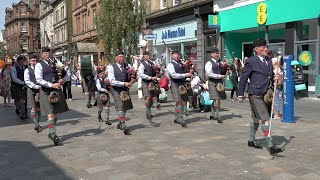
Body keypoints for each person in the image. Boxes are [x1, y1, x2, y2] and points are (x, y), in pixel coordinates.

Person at [238, 39, 284, 155]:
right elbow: (244, 78)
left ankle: (251, 140)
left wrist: (276, 78)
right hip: (255, 94)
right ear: (256, 49)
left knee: (256, 119)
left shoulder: (268, 60)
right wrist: (240, 93)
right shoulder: (251, 61)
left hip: (266, 94)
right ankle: (270, 145)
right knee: (265, 118)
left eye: (266, 47)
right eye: (263, 47)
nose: (265, 49)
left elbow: (272, 75)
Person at [35, 46, 69, 145]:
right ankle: (53, 134)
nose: (47, 55)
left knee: (55, 113)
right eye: (45, 53)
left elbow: (67, 73)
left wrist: (64, 79)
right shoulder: (39, 65)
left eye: (49, 53)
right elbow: (39, 80)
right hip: (46, 91)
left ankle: (51, 132)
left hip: (56, 90)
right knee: (50, 113)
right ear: (42, 54)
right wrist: (51, 84)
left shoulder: (56, 63)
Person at [107, 50, 135, 135]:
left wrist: (133, 79)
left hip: (125, 89)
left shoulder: (127, 66)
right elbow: (111, 81)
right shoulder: (111, 67)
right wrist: (124, 83)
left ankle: (120, 122)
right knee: (120, 107)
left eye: (123, 57)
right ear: (116, 58)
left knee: (125, 107)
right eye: (120, 56)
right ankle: (123, 124)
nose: (122, 58)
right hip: (116, 89)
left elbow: (132, 76)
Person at [167, 50, 192, 127]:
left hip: (182, 84)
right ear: (172, 56)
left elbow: (185, 72)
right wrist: (185, 75)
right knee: (178, 102)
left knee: (183, 101)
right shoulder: (170, 65)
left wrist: (189, 73)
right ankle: (180, 118)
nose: (177, 56)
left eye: (178, 54)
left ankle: (176, 117)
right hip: (175, 84)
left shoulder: (181, 64)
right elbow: (174, 75)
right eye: (175, 54)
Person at [205, 47, 226, 123]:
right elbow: (209, 74)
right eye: (216, 53)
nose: (217, 54)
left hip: (219, 83)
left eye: (217, 53)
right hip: (212, 82)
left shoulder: (219, 63)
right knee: (216, 99)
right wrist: (220, 76)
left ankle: (212, 114)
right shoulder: (209, 63)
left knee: (218, 99)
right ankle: (217, 115)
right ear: (212, 54)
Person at [137, 51, 159, 126]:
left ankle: (149, 110)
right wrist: (150, 77)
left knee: (152, 97)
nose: (149, 57)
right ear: (144, 57)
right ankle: (147, 111)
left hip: (152, 82)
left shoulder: (151, 63)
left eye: (149, 55)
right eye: (147, 55)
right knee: (148, 97)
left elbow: (155, 71)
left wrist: (157, 74)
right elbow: (140, 74)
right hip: (145, 82)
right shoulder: (142, 65)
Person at [24, 54, 42, 132]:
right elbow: (27, 81)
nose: (34, 62)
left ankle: (37, 122)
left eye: (35, 60)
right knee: (33, 108)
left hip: (39, 90)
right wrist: (36, 86)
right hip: (31, 90)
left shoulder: (40, 69)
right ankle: (36, 124)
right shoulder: (27, 70)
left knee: (38, 108)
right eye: (32, 61)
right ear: (29, 61)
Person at [11, 55, 28, 119]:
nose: (22, 63)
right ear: (17, 62)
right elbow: (14, 78)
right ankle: (22, 114)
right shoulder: (14, 68)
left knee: (26, 100)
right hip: (17, 86)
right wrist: (22, 82)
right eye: (20, 61)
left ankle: (25, 114)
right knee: (21, 100)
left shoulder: (26, 67)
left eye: (23, 61)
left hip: (25, 86)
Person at [272, 51, 283, 120]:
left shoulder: (276, 69)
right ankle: (277, 113)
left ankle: (277, 114)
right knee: (275, 99)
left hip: (276, 85)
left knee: (275, 99)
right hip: (276, 85)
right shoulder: (277, 69)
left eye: (272, 62)